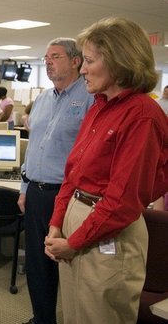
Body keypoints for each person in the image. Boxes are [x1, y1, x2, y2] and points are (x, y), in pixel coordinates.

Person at [45, 17, 168, 324]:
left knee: (100, 315)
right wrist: (57, 222)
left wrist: (73, 242)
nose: (82, 69)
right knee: (73, 315)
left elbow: (123, 199)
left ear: (118, 61)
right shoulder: (100, 105)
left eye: (88, 61)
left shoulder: (141, 115)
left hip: (107, 230)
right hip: (79, 215)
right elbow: (73, 173)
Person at [18, 38, 94, 324]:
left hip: (70, 196)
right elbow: (34, 145)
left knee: (71, 265)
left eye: (55, 56)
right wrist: (24, 188)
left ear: (76, 61)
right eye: (45, 57)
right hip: (36, 193)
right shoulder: (43, 99)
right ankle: (42, 318)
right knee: (38, 263)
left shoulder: (90, 99)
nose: (48, 62)